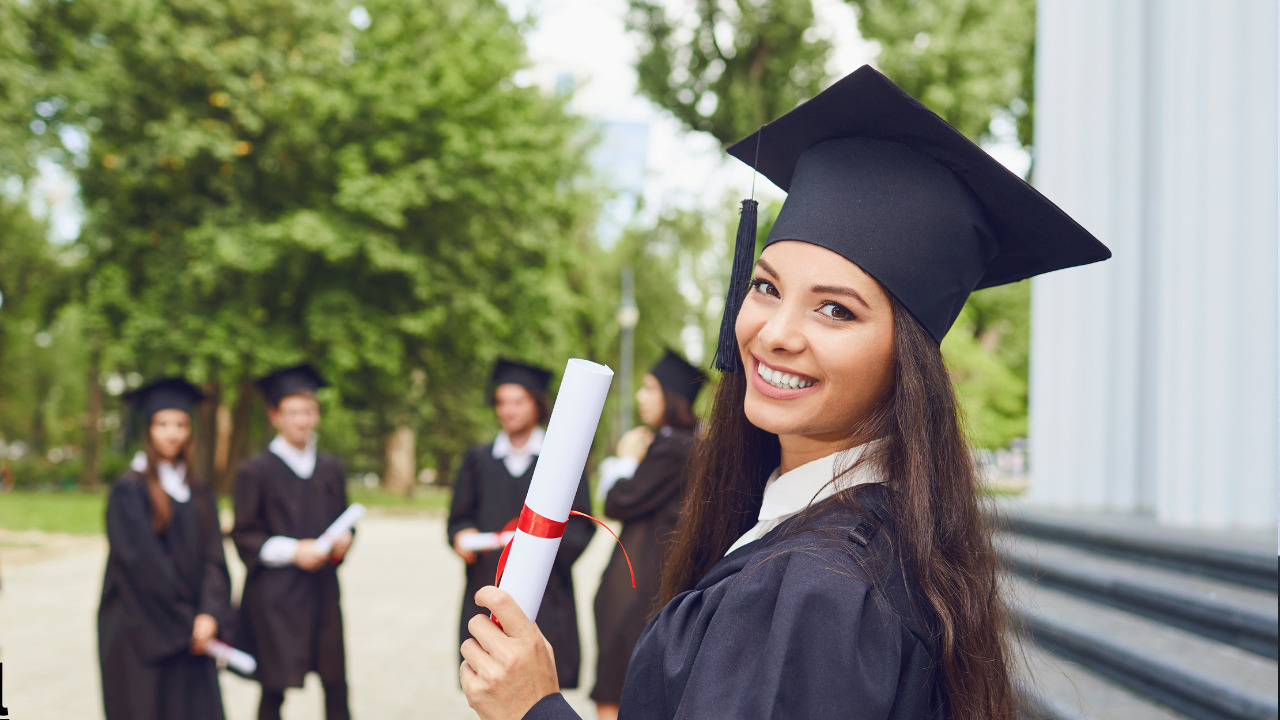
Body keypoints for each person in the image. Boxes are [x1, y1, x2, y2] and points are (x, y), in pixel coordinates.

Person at [458, 65, 1111, 720]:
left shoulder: (817, 591)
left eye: (836, 311)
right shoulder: (872, 537)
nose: (775, 333)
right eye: (766, 287)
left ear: (906, 359)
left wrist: (534, 708)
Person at [448, 358, 595, 689]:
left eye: (517, 402)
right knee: (488, 682)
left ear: (536, 404)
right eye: (501, 402)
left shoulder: (562, 461)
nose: (507, 410)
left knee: (541, 688)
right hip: (488, 583)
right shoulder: (477, 460)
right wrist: (461, 537)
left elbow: (582, 525)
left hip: (547, 592)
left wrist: (538, 552)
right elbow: (458, 519)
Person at [98, 377, 231, 720]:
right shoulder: (129, 491)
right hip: (142, 632)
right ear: (148, 428)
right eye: (162, 424)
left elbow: (216, 557)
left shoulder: (199, 491)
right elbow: (144, 567)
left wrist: (210, 613)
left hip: (193, 631)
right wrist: (190, 621)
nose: (172, 433)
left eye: (181, 424)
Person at [231, 364, 354, 720]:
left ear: (316, 415)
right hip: (276, 595)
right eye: (293, 412)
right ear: (275, 416)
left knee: (335, 680)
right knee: (275, 685)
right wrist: (294, 551)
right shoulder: (255, 471)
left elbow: (344, 519)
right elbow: (244, 534)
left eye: (308, 411)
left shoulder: (330, 468)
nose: (302, 420)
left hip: (322, 591)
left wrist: (345, 541)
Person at [591, 350, 703, 720]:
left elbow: (619, 501)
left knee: (615, 680)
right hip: (648, 577)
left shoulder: (675, 446)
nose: (640, 396)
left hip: (639, 583)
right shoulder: (685, 442)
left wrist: (625, 459)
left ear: (672, 397)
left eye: (650, 387)